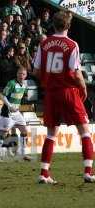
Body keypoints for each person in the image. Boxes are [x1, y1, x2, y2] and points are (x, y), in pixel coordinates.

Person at [33, 11, 95, 184]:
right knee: (84, 131)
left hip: (51, 93)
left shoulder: (44, 44)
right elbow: (75, 73)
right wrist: (83, 87)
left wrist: (49, 79)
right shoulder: (72, 44)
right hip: (68, 91)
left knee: (51, 134)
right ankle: (88, 172)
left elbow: (36, 71)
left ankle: (44, 173)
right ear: (68, 26)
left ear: (53, 24)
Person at [0, 67, 30, 161]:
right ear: (17, 74)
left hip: (16, 112)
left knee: (24, 131)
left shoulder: (24, 85)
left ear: (26, 75)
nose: (21, 76)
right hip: (7, 112)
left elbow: (23, 95)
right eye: (20, 73)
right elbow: (2, 96)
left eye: (23, 74)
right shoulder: (11, 83)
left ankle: (23, 154)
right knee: (4, 133)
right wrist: (9, 105)